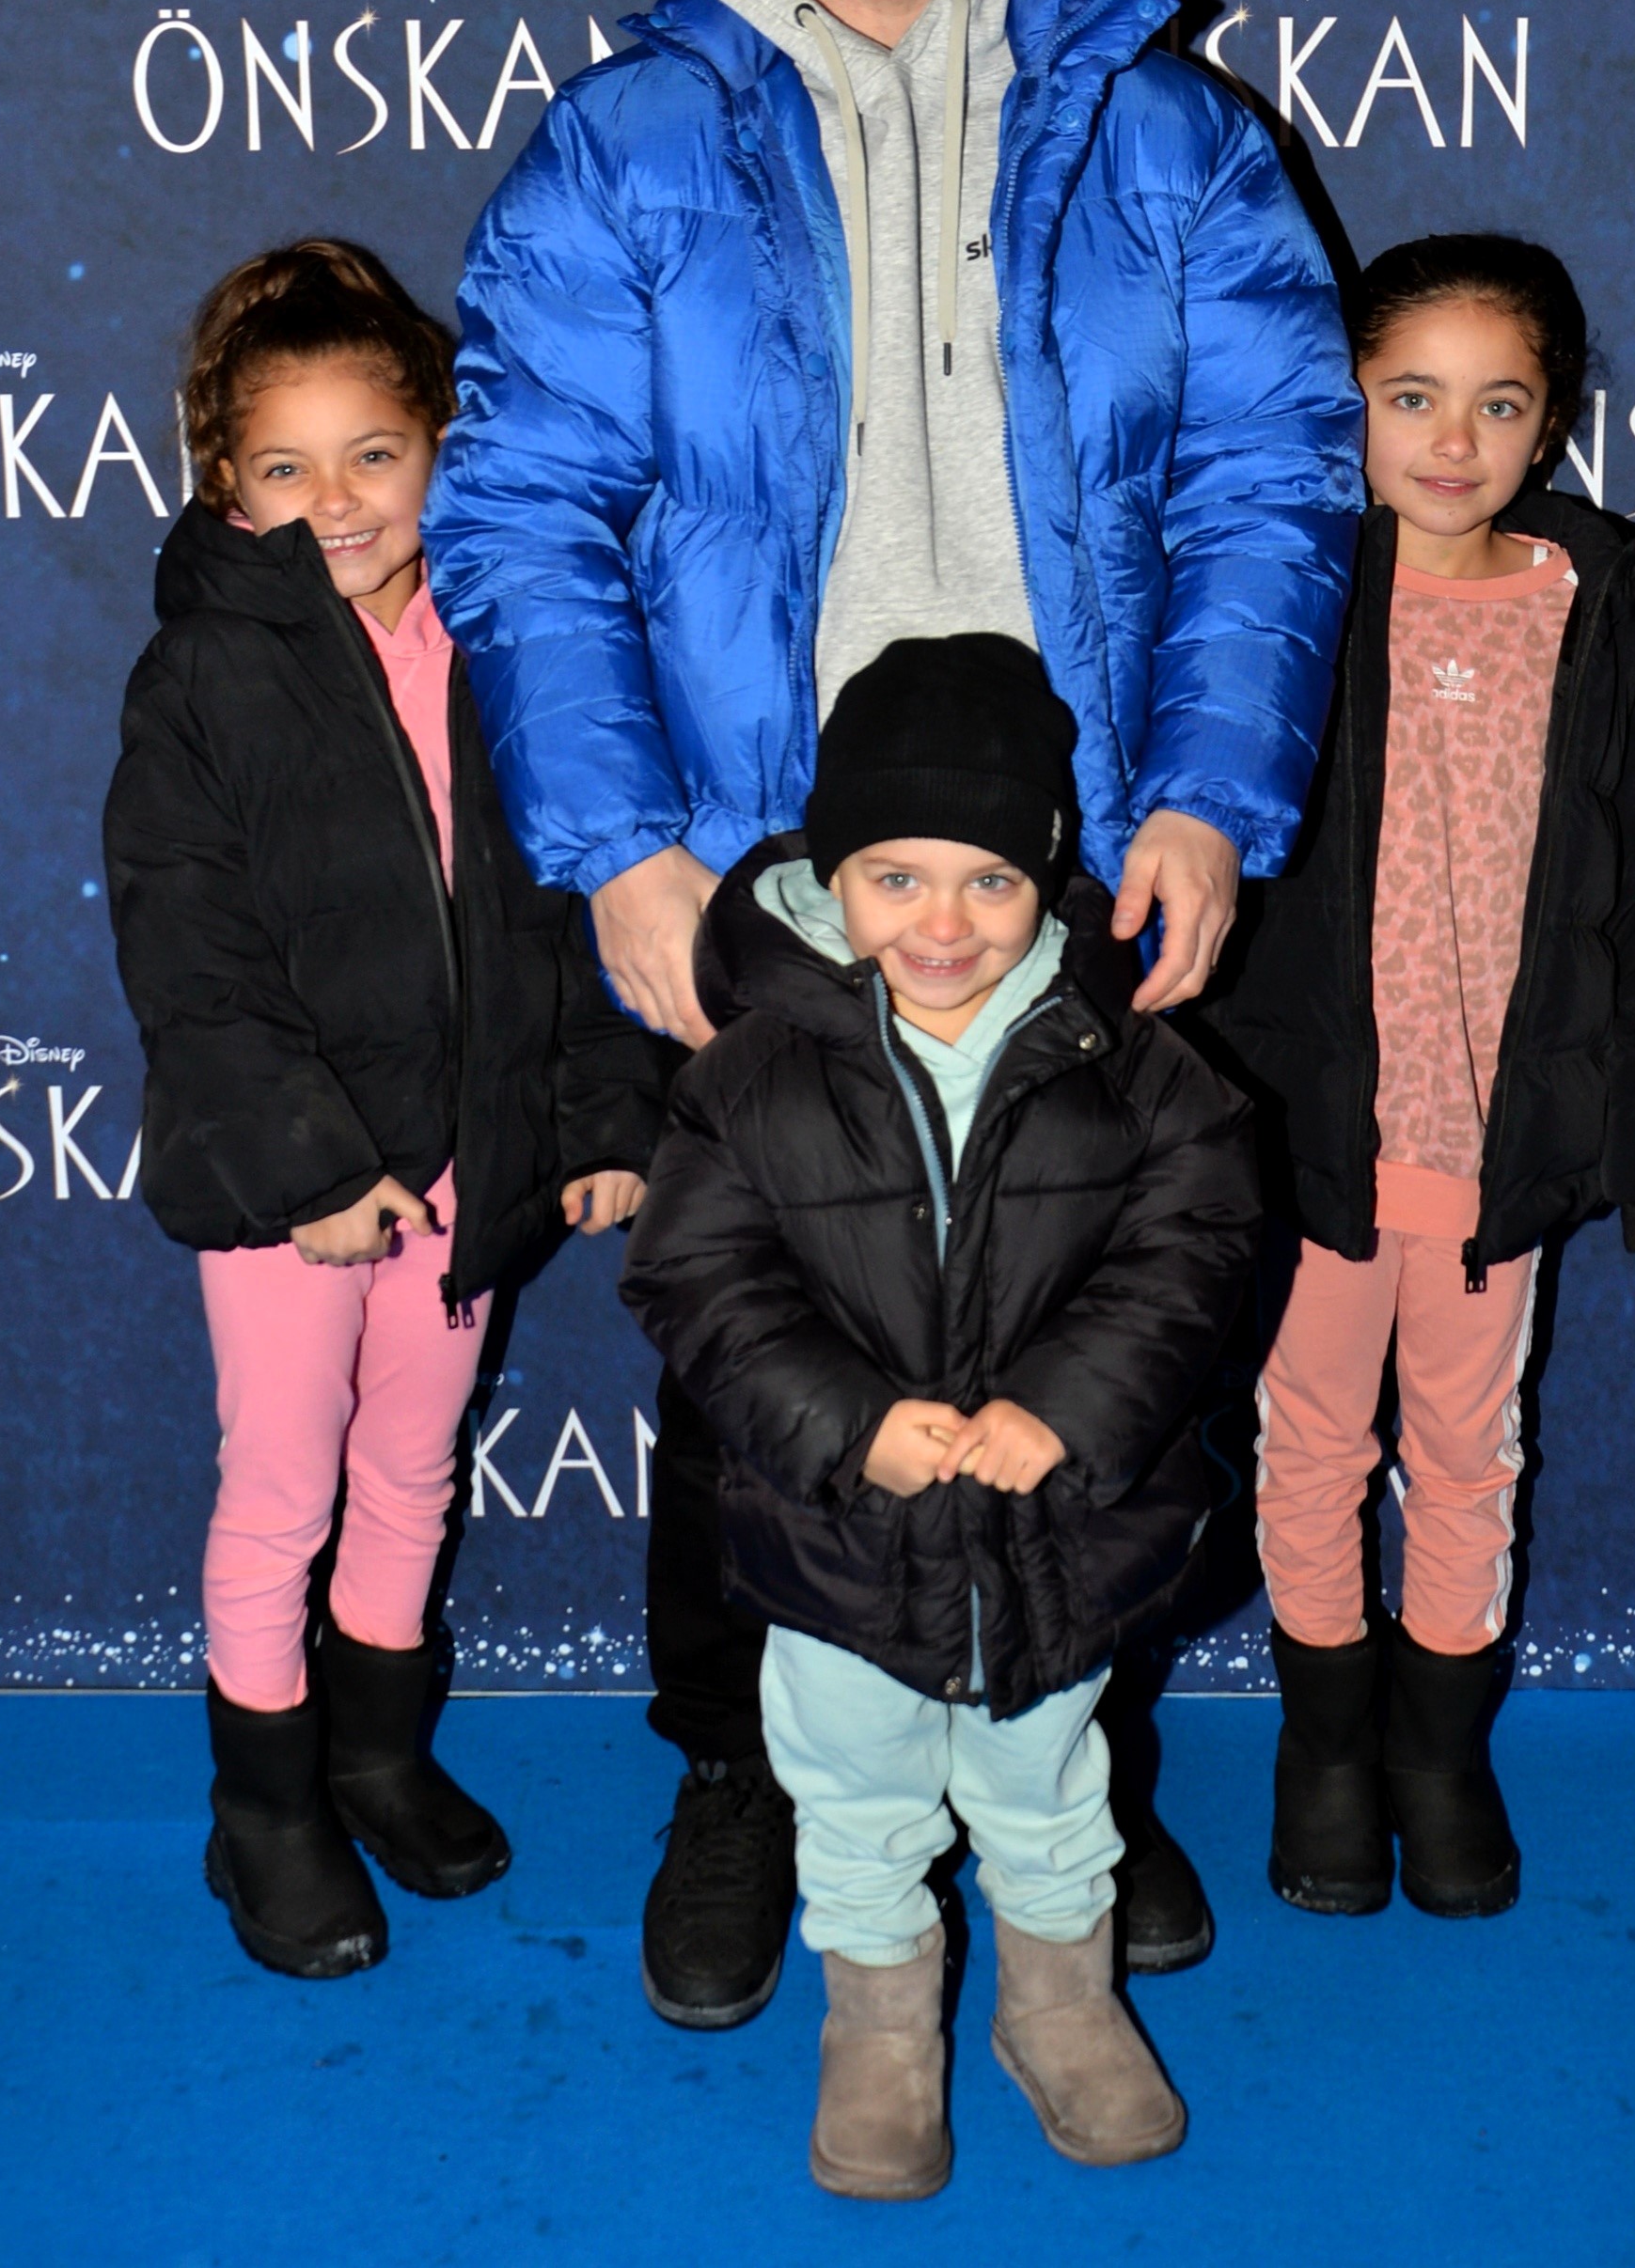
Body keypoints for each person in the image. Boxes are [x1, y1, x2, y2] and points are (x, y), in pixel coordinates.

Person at [425, 0, 1365, 2021]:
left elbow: (1270, 484)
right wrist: (623, 844)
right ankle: (743, 1778)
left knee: (1088, 1316)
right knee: (759, 1347)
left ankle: (1069, 1777)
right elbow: (518, 508)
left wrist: (1206, 796)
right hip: (756, 869)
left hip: (1075, 859)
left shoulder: (1163, 127)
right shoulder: (624, 139)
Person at [621, 634, 1258, 2198]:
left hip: (1058, 1540)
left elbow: (1199, 1241)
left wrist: (1067, 1406)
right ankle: (880, 2026)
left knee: (1054, 1787)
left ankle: (1060, 2003)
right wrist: (848, 1424)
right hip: (844, 1547)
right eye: (896, 878)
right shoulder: (749, 1073)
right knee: (853, 1797)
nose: (946, 923)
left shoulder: (1128, 1059)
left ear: (1051, 876)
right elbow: (696, 1274)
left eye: (990, 879)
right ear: (829, 877)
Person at [104, 240, 669, 1979]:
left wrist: (601, 1112)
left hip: (466, 1159)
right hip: (293, 1187)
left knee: (413, 1464)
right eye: (288, 466)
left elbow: (565, 905)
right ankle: (267, 1805)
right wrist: (313, 1166)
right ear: (226, 478)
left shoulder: (499, 644)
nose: (338, 499)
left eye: (374, 454)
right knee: (284, 1482)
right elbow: (192, 958)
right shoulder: (202, 676)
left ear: (439, 449)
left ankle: (377, 1751)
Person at [1227, 234, 1635, 1921]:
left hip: (1490, 1139)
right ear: (1346, 402)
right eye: (1411, 396)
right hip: (1314, 1131)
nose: (1453, 440)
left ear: (1553, 421)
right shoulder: (1286, 593)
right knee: (1310, 1439)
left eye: (1499, 404)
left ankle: (1440, 1751)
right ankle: (1324, 1744)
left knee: (1466, 1447)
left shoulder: (1602, 617)